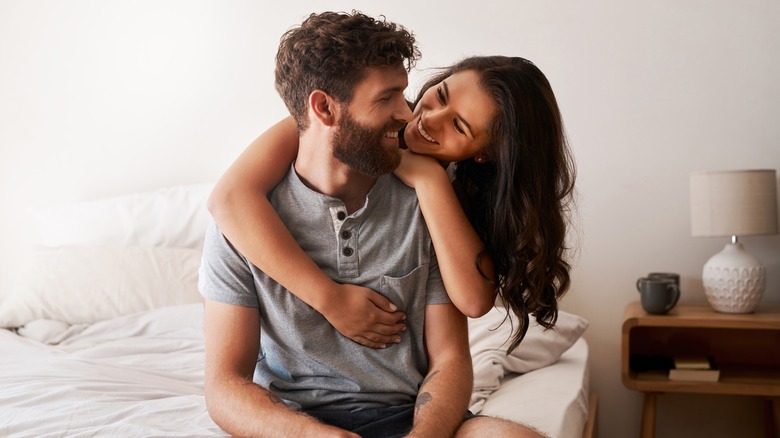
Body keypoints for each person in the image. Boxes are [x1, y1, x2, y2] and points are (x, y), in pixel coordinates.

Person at [199, 11, 542, 437]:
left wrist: (429, 180)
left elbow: (455, 349)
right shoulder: (248, 216)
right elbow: (225, 386)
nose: (411, 113)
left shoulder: (433, 209)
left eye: (405, 92)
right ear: (323, 107)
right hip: (294, 424)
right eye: (388, 98)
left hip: (409, 417)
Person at [208, 55, 576, 353]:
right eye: (442, 95)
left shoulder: (456, 189)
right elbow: (228, 198)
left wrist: (428, 180)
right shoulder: (343, 122)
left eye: (459, 127)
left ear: (486, 155)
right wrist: (331, 300)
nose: (428, 119)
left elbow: (474, 301)